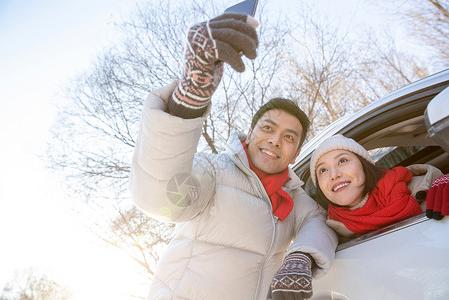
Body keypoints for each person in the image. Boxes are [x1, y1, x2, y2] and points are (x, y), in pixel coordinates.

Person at [130, 13, 338, 300]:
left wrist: (300, 257)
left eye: (289, 137)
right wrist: (191, 98)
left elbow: (319, 225)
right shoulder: (214, 171)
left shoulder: (296, 198)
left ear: (297, 152)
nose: (275, 140)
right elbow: (158, 195)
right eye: (268, 128)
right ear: (251, 133)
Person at [309, 134, 448, 238]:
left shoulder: (426, 189)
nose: (334, 174)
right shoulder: (331, 236)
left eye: (342, 160)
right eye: (323, 170)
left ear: (364, 165)